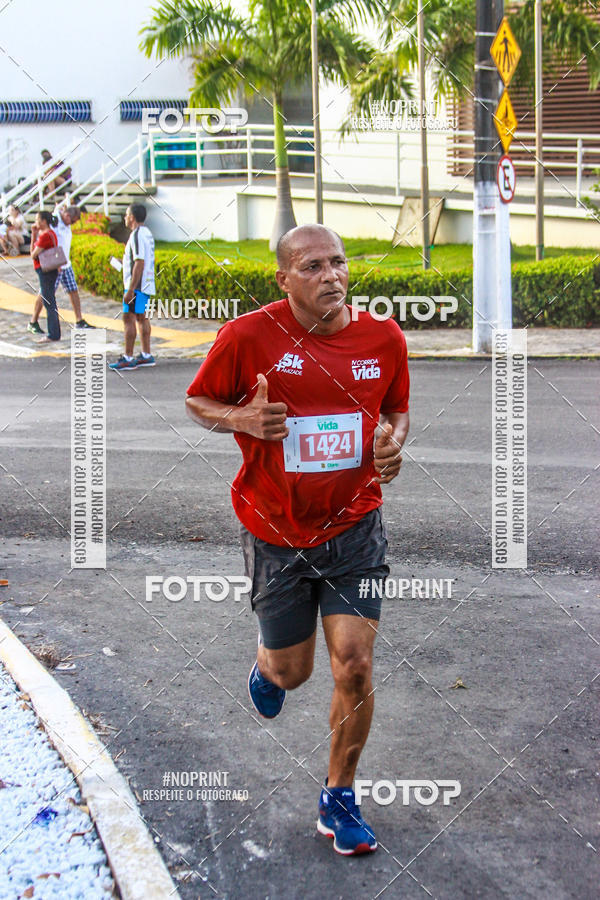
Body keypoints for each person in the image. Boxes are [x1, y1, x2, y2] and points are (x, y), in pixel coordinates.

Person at [185, 224, 410, 856]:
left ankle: (339, 796)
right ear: (283, 280)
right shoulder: (248, 337)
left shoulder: (383, 337)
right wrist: (242, 417)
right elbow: (198, 399)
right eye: (312, 266)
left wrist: (393, 442)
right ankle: (267, 668)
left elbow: (396, 409)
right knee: (293, 672)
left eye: (339, 262)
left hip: (355, 529)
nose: (331, 276)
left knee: (355, 667)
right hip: (277, 535)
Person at [27, 203, 94, 334]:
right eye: (72, 221)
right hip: (54, 264)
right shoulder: (55, 220)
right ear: (67, 215)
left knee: (73, 290)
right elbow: (47, 223)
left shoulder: (66, 221)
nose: (72, 224)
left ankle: (79, 320)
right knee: (45, 293)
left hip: (65, 264)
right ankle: (33, 321)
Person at [109, 204, 155, 370]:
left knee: (128, 318)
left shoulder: (136, 236)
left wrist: (130, 289)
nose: (125, 218)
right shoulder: (147, 233)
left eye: (126, 214)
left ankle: (128, 357)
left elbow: (139, 262)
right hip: (146, 284)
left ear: (132, 217)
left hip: (136, 286)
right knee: (142, 318)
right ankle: (146, 354)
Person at [29, 211, 61, 343]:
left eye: (38, 220)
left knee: (49, 302)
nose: (36, 223)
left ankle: (53, 334)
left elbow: (33, 254)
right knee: (49, 300)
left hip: (45, 271)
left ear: (43, 221)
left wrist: (33, 236)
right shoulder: (50, 234)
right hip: (50, 270)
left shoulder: (45, 236)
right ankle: (54, 332)